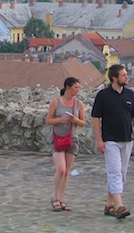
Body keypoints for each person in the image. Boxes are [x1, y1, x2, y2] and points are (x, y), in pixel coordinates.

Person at [91, 65, 134, 219]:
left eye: (126, 75)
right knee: (115, 172)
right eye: (123, 75)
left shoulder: (130, 95)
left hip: (127, 139)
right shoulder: (103, 95)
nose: (126, 77)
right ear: (114, 78)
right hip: (110, 140)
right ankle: (120, 206)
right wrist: (99, 140)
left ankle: (109, 204)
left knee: (121, 174)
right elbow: (95, 118)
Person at [46, 77, 86, 211]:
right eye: (76, 87)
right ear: (68, 87)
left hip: (72, 139)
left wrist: (75, 120)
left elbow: (83, 123)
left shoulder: (78, 103)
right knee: (61, 169)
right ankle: (55, 197)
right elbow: (48, 120)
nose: (77, 90)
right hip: (58, 139)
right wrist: (60, 120)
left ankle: (62, 199)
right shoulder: (55, 102)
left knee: (67, 171)